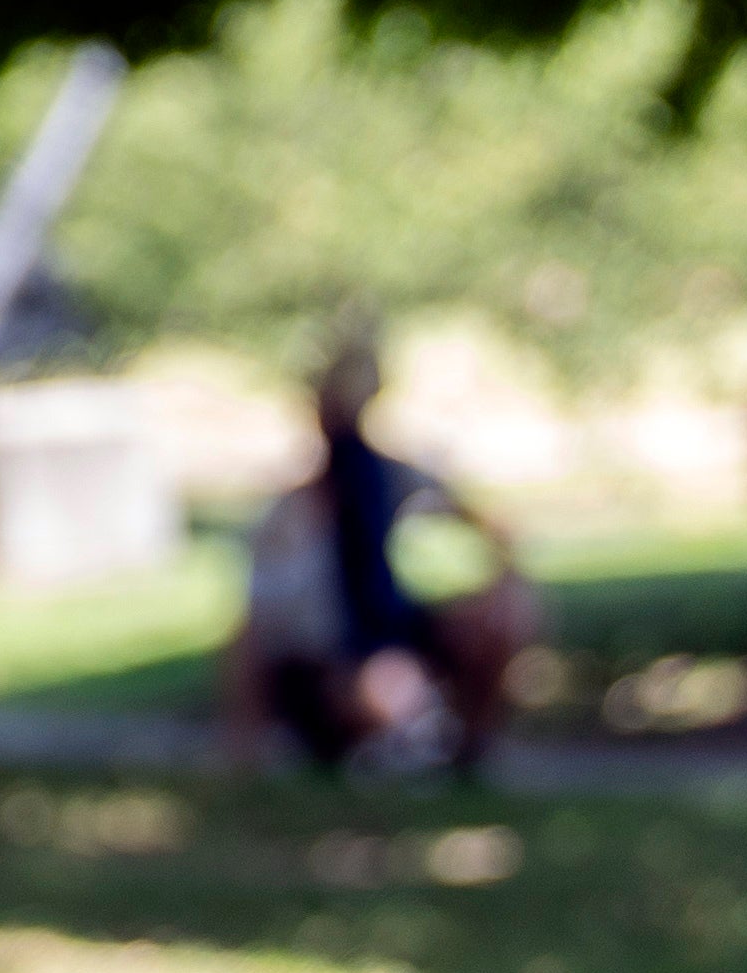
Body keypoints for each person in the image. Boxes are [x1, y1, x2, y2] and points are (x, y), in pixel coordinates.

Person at [225, 318, 536, 775]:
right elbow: (255, 630)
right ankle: (395, 738)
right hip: (326, 664)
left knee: (498, 621)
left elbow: (482, 522)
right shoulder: (287, 517)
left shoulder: (388, 479)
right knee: (384, 684)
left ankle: (468, 751)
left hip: (389, 631)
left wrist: (502, 583)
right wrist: (243, 741)